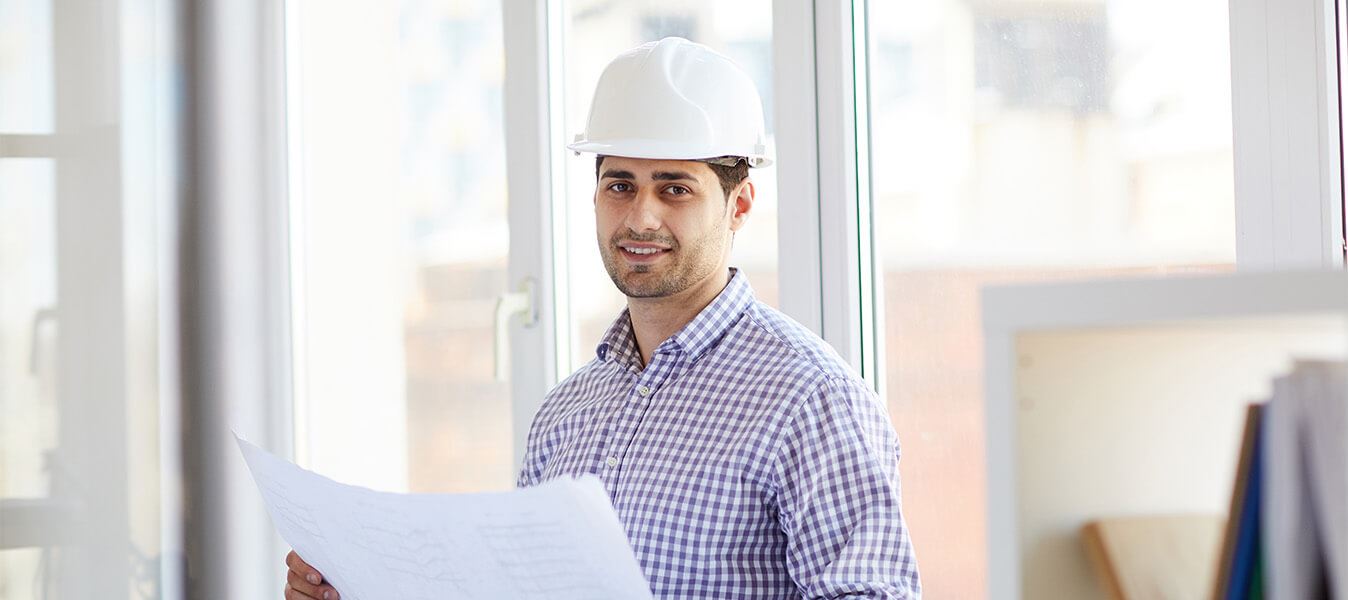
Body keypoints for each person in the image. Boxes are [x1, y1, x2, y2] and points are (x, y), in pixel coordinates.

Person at [284, 37, 921, 600]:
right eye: (620, 185)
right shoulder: (564, 415)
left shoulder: (811, 399)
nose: (641, 217)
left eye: (674, 188)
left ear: (740, 205)